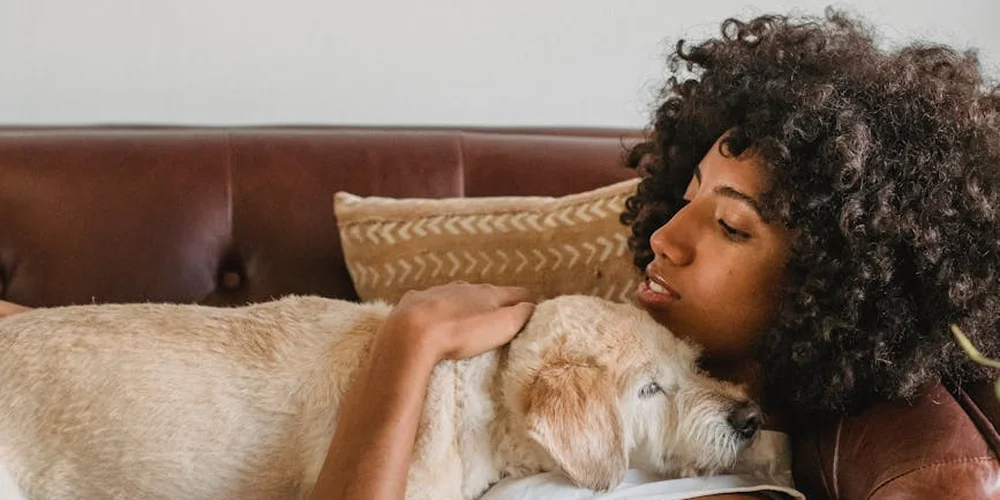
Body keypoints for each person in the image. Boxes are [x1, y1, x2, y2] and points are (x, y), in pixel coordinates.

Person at [3, 8, 999, 500]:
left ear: (832, 278)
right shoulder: (628, 322)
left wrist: (414, 337)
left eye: (730, 226)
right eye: (685, 195)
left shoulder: (731, 451)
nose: (664, 232)